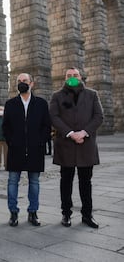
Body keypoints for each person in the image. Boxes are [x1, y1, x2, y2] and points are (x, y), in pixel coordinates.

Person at [49, 67, 103, 228]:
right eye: (69, 76)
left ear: (81, 77)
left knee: (86, 182)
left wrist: (84, 132)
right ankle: (66, 214)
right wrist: (71, 133)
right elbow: (53, 116)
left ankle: (87, 215)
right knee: (66, 181)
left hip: (86, 144)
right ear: (64, 78)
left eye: (75, 75)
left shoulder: (92, 94)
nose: (72, 77)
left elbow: (98, 116)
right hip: (66, 144)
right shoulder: (57, 96)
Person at [2, 73, 51, 227]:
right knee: (12, 181)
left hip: (35, 149)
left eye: (25, 81)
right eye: (19, 81)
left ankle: (33, 212)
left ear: (32, 83)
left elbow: (46, 126)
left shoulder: (41, 104)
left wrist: (40, 142)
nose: (21, 83)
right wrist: (12, 141)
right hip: (16, 149)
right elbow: (6, 127)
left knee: (34, 182)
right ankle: (13, 213)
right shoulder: (10, 104)